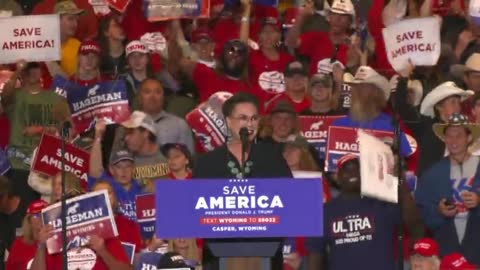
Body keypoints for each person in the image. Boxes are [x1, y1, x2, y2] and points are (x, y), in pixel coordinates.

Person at [193, 92, 292, 270]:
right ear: (228, 121)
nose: (250, 124)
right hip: (219, 255)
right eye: (243, 118)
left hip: (266, 253)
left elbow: (290, 201)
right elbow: (194, 209)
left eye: (254, 118)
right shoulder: (207, 163)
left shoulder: (272, 157)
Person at [306, 154, 423, 270]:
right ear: (338, 177)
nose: (353, 173)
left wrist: (400, 181)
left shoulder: (382, 204)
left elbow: (416, 227)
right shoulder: (325, 212)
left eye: (358, 169)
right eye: (347, 170)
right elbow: (315, 255)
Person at [2, 60, 69, 230]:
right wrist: (18, 69)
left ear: (42, 70)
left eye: (36, 66)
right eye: (29, 67)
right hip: (19, 165)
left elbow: (68, 131)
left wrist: (41, 129)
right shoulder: (15, 96)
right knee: (21, 219)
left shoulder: (55, 98)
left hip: (46, 167)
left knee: (49, 216)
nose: (32, 71)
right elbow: (5, 96)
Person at [415, 113, 480, 265]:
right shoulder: (432, 175)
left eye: (458, 135)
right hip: (447, 251)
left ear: (469, 138)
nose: (453, 140)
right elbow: (422, 213)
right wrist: (439, 211)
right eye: (449, 136)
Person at [91, 115, 168, 191]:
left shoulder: (170, 155)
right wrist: (98, 137)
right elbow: (96, 178)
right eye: (125, 133)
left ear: (146, 133)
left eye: (131, 132)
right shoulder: (124, 159)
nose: (126, 137)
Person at [136, 78, 194, 152]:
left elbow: (189, 159)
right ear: (139, 97)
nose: (152, 97)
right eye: (147, 92)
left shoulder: (180, 125)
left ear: (164, 97)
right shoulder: (127, 127)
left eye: (158, 92)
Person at [89, 148, 143, 221]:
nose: (124, 171)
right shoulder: (106, 186)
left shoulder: (143, 188)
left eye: (128, 166)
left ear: (133, 169)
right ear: (111, 170)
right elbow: (95, 171)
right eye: (119, 167)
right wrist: (97, 139)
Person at [91, 180, 142, 254]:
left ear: (114, 197)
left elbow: (137, 255)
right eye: (99, 194)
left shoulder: (130, 225)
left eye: (108, 193)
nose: (104, 197)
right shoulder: (86, 228)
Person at [5, 200, 48, 270]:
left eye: (45, 214)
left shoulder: (55, 241)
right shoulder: (20, 244)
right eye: (36, 215)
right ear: (29, 220)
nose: (42, 218)